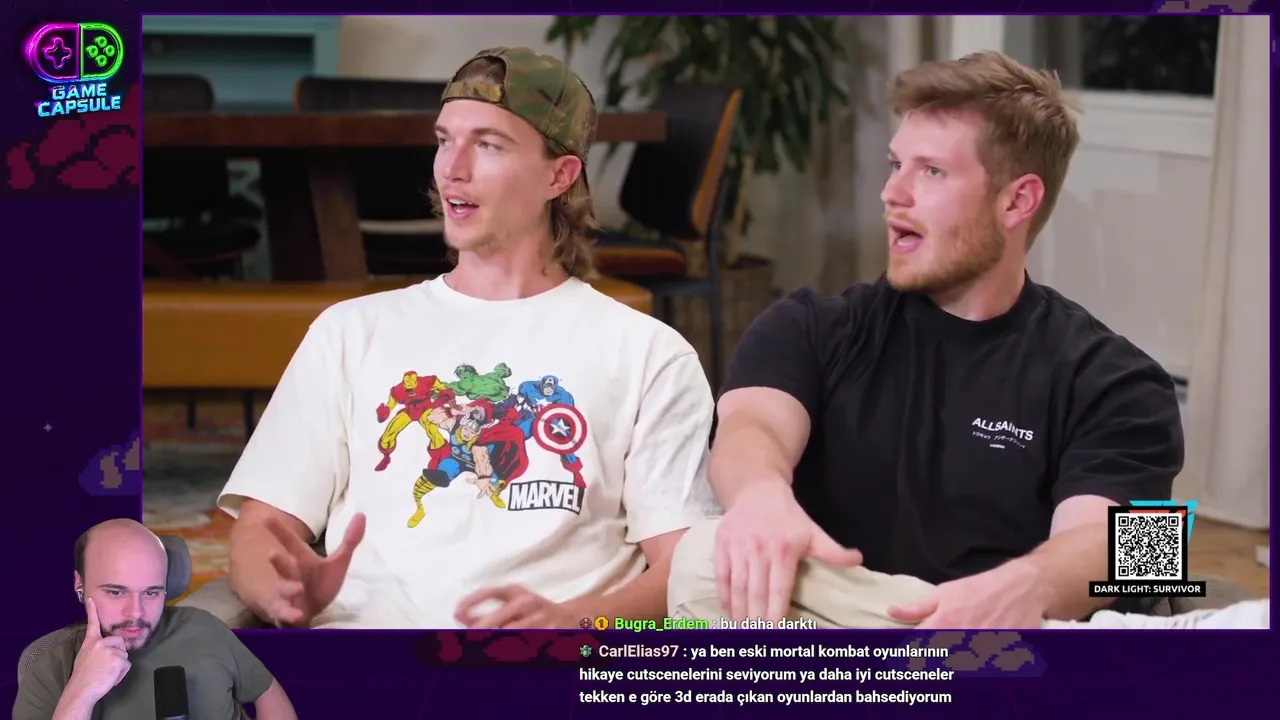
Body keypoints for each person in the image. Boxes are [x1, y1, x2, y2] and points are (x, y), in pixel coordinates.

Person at [667, 50, 1190, 630]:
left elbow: (1132, 558)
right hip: (847, 642)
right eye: (896, 164)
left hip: (998, 644)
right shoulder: (809, 327)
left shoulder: (1123, 382)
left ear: (1018, 200)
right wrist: (760, 496)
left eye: (931, 171)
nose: (892, 193)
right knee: (703, 558)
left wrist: (1026, 587)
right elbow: (750, 427)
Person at [215, 47, 717, 629]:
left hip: (542, 669)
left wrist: (576, 622)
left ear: (559, 176)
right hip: (369, 661)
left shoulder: (649, 354)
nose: (453, 168)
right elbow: (262, 528)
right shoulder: (349, 331)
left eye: (488, 145)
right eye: (444, 140)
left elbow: (685, 568)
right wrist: (279, 591)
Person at [13, 519, 296, 720]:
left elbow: (266, 689)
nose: (136, 613)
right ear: (80, 584)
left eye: (151, 592)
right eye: (116, 592)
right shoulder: (48, 669)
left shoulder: (204, 627)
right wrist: (81, 692)